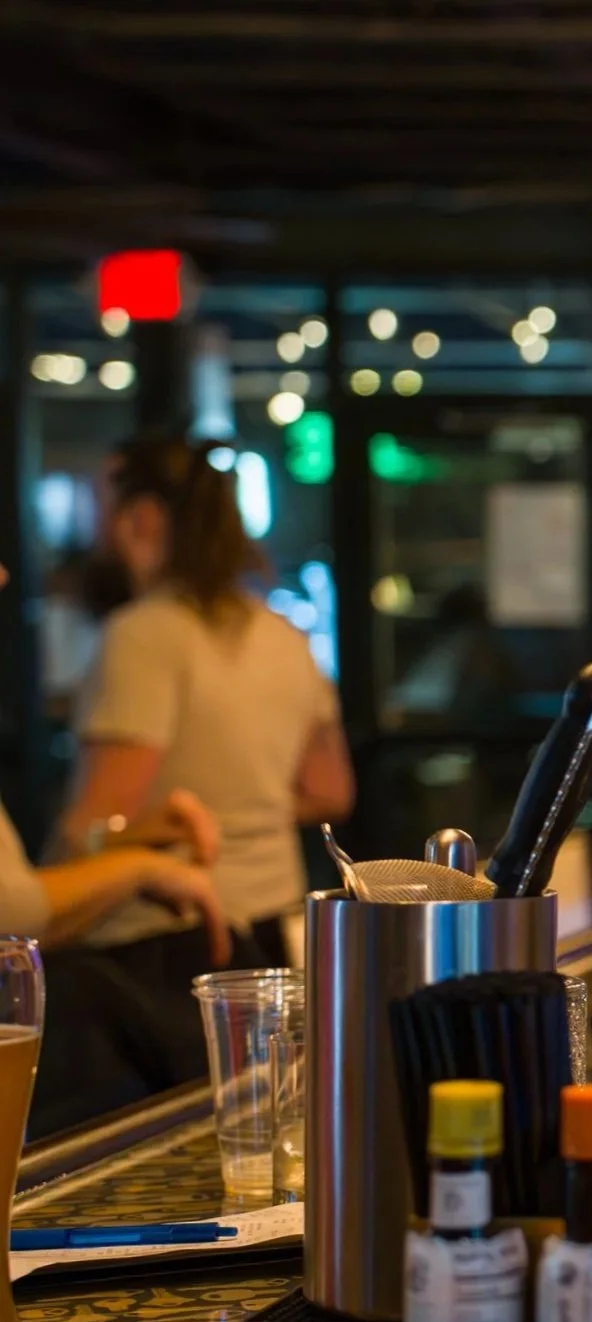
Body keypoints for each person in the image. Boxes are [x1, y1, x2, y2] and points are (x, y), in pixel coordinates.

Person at [55, 432, 351, 1006]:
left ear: (141, 520)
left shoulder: (142, 635)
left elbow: (95, 826)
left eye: (105, 508)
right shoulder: (284, 633)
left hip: (164, 944)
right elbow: (330, 792)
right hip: (272, 927)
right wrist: (243, 809)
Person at [0, 553, 230, 1136]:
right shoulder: (276, 636)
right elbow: (15, 911)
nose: (4, 574)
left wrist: (132, 846)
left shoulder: (145, 634)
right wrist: (138, 863)